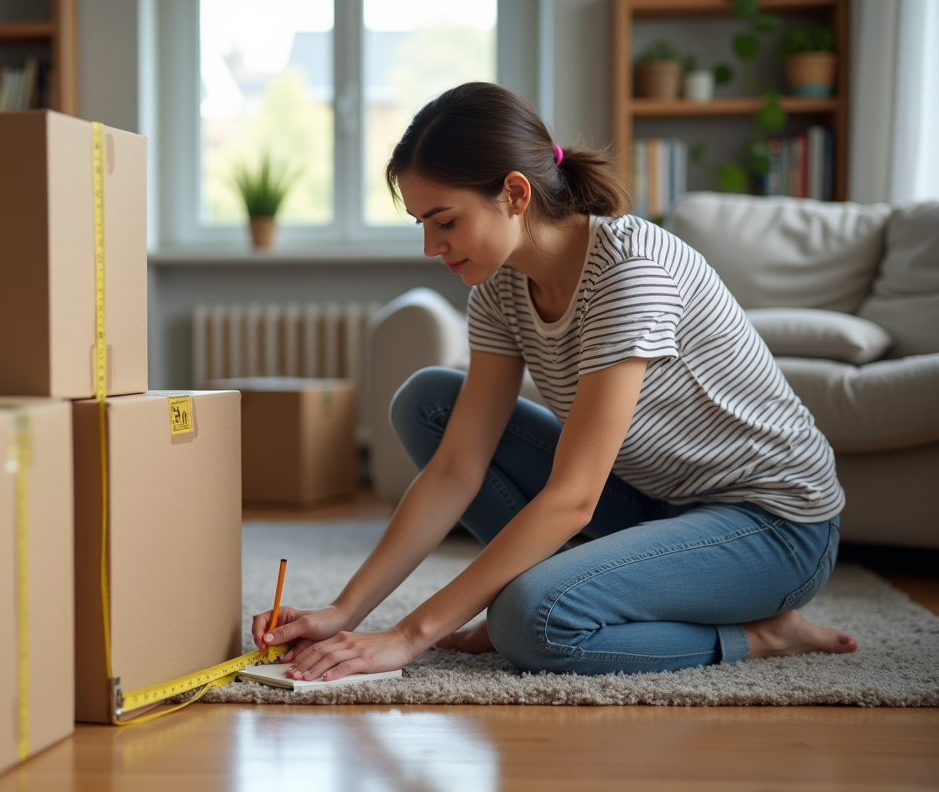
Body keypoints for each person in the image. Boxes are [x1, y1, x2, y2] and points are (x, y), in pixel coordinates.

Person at [252, 82, 858, 681]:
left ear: (515, 193)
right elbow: (457, 466)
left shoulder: (629, 273)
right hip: (655, 500)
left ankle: (763, 633)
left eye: (445, 221)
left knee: (528, 622)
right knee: (428, 403)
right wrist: (343, 611)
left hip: (775, 525)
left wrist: (408, 636)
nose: (432, 247)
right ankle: (575, 586)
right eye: (421, 224)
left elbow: (574, 498)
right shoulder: (499, 286)